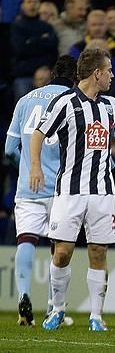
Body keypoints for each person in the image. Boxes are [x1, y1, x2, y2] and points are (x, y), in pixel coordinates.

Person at [29, 48, 115, 331]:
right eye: (109, 70)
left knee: (98, 252)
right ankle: (58, 309)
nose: (112, 75)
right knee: (62, 252)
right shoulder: (65, 103)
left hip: (103, 191)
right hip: (69, 191)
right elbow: (38, 134)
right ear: (97, 73)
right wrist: (35, 167)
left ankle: (96, 316)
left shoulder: (111, 106)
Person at [5, 55, 76, 326]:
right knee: (59, 248)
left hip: (28, 186)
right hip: (61, 187)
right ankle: (52, 310)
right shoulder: (73, 100)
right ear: (75, 77)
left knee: (26, 240)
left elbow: (9, 149)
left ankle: (24, 297)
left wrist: (26, 166)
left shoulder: (26, 100)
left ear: (53, 74)